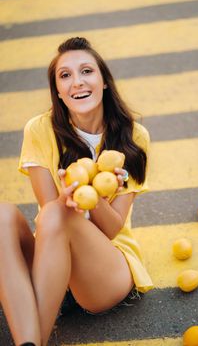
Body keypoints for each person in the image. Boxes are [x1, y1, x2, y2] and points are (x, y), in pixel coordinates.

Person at [0, 37, 154, 346]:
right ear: (57, 89)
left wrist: (95, 196)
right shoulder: (40, 130)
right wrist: (68, 196)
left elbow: (111, 230)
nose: (77, 82)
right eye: (65, 75)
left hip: (106, 271)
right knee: (4, 213)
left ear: (104, 81)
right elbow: (49, 214)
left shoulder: (133, 137)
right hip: (54, 256)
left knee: (61, 214)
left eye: (86, 71)